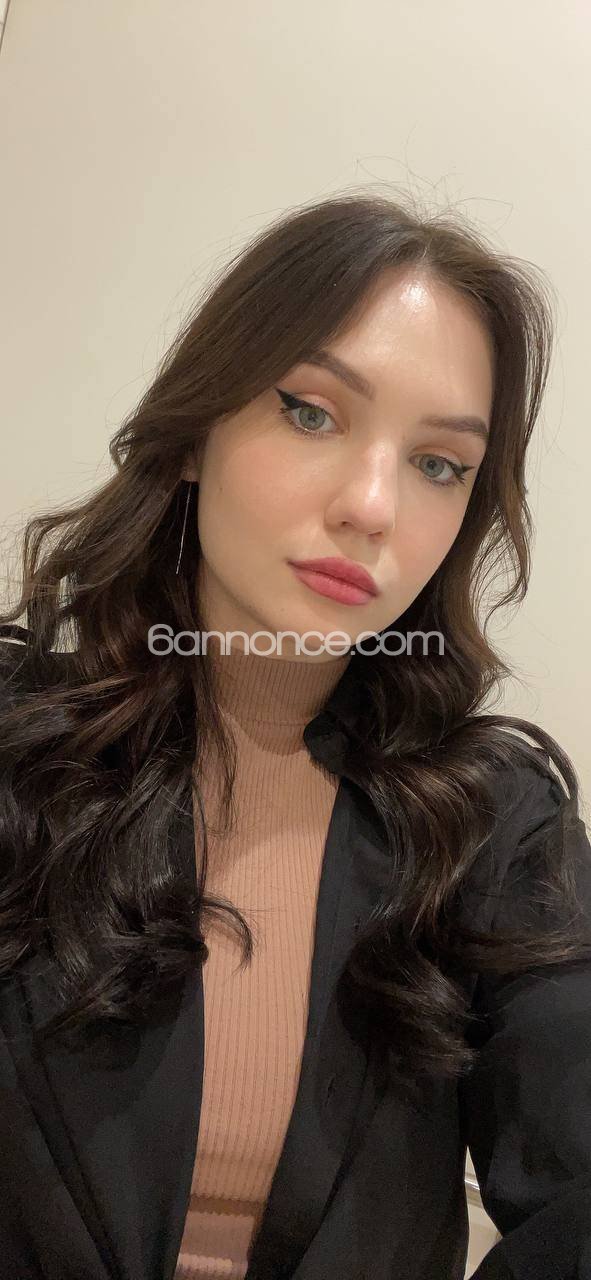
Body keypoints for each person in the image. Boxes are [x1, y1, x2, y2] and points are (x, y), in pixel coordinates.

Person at [0, 192, 590, 1280]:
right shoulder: (17, 747)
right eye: (312, 413)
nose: (372, 505)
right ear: (196, 432)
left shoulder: (493, 823)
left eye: (439, 464)